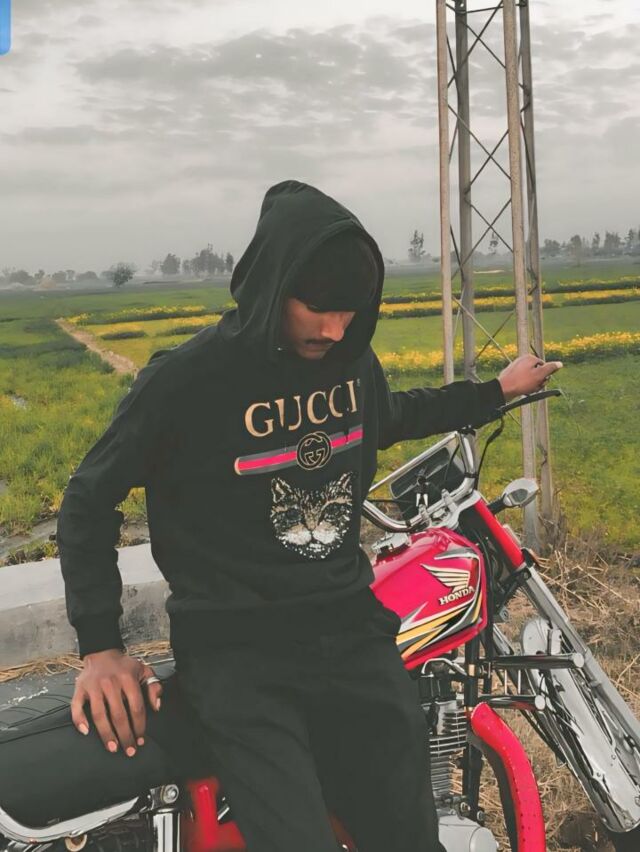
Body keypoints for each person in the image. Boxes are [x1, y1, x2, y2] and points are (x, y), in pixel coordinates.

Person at [57, 179, 562, 852]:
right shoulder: (187, 382)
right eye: (316, 307)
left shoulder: (350, 363)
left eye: (349, 311)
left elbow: (396, 415)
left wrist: (494, 391)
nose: (333, 329)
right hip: (238, 652)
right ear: (272, 285)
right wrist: (101, 647)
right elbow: (89, 498)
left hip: (352, 632)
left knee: (409, 836)